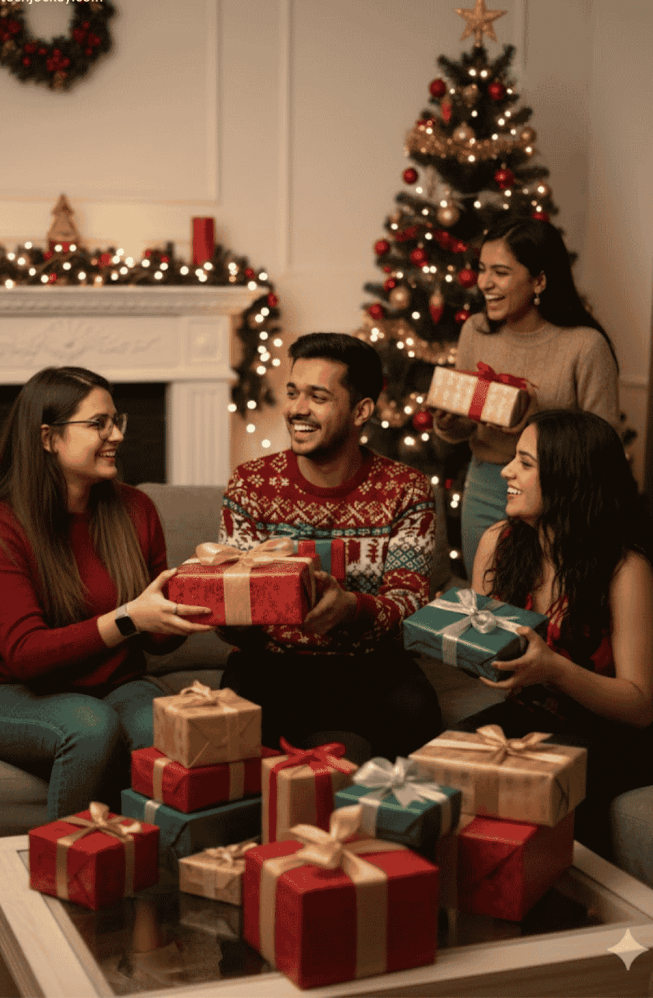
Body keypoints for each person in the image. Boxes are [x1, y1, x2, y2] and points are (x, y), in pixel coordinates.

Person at [0, 366, 211, 820]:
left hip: (116, 684)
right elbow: (25, 654)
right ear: (48, 438)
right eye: (98, 424)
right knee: (90, 727)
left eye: (116, 420)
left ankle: (159, 874)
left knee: (169, 727)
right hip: (9, 689)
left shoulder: (135, 509)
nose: (115, 435)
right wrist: (129, 618)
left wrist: (192, 606)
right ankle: (70, 871)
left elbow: (156, 640)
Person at [218, 332, 442, 762]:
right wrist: (229, 608)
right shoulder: (251, 483)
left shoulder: (405, 488)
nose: (297, 409)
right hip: (271, 664)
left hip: (370, 666)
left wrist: (352, 608)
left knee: (418, 714)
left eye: (317, 396)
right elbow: (234, 617)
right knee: (227, 727)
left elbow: (411, 606)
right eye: (293, 393)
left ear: (361, 411)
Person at [457, 408, 653, 858]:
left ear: (569, 478)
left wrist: (553, 670)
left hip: (612, 735)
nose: (506, 470)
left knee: (536, 801)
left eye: (525, 463)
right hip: (530, 720)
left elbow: (641, 705)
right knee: (439, 768)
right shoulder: (497, 544)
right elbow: (481, 655)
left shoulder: (625, 569)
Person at [432, 216, 620, 577]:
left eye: (500, 272)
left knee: (545, 601)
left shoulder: (586, 346)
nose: (485, 282)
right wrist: (451, 423)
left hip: (558, 495)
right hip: (486, 485)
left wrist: (537, 419)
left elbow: (602, 446)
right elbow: (466, 429)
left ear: (540, 280)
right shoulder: (475, 330)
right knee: (488, 601)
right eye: (482, 269)